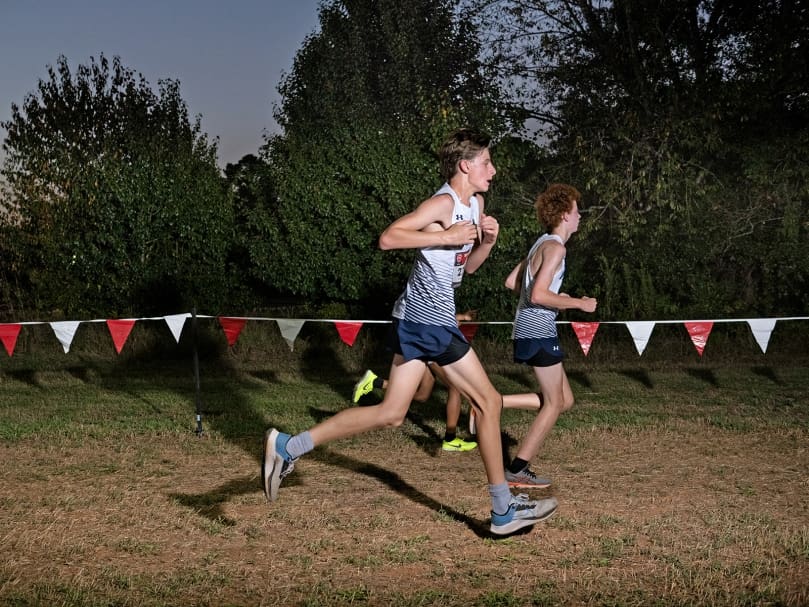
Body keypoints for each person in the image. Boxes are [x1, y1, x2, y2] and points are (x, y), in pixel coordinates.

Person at [263, 128, 557, 536]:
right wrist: (445, 234)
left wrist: (487, 242)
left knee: (391, 413)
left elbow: (466, 268)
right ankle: (503, 509)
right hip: (427, 320)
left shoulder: (476, 204)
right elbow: (388, 238)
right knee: (488, 402)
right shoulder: (442, 203)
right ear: (465, 165)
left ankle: (288, 446)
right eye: (487, 162)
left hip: (421, 319)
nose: (493, 169)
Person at [499, 183, 597, 489]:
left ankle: (493, 403)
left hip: (530, 328)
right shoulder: (556, 247)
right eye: (577, 210)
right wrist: (577, 303)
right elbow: (539, 294)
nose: (580, 215)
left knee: (565, 400)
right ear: (566, 214)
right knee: (554, 404)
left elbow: (512, 282)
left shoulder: (540, 243)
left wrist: (553, 296)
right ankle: (518, 469)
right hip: (539, 330)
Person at [352, 310, 479, 453]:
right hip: (431, 344)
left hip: (426, 340)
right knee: (454, 387)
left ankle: (376, 382)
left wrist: (458, 319)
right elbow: (436, 314)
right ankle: (450, 439)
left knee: (422, 395)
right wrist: (462, 317)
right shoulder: (430, 293)